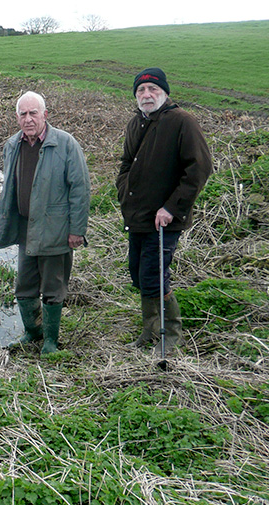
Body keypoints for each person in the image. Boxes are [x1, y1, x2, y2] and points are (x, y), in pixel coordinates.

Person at [117, 68, 212, 355]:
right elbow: (125, 164)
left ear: (164, 93)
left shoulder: (182, 121)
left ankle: (170, 333)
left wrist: (171, 207)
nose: (146, 95)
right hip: (138, 218)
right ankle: (150, 329)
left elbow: (199, 169)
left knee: (154, 275)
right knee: (137, 273)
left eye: (152, 90)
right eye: (141, 91)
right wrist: (124, 190)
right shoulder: (136, 123)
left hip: (164, 221)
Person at [0, 91, 90, 355]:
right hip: (25, 228)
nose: (28, 119)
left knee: (53, 286)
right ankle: (32, 333)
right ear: (17, 118)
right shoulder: (12, 145)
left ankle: (50, 342)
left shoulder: (66, 144)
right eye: (23, 114)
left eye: (33, 113)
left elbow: (80, 189)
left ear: (45, 114)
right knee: (24, 284)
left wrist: (77, 230)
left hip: (56, 230)